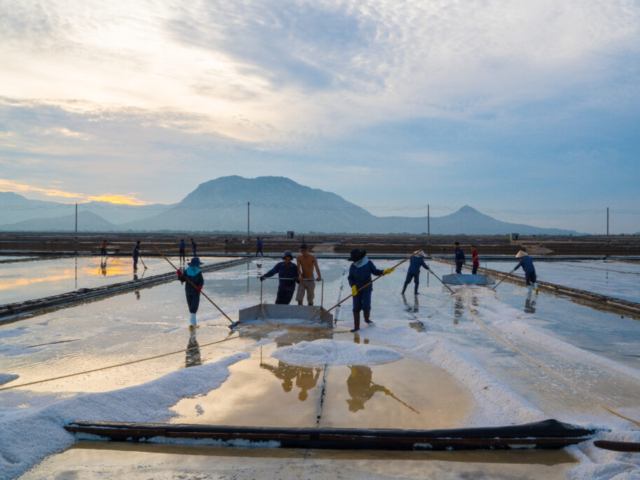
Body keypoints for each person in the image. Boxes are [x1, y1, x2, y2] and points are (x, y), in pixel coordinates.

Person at [348, 248, 393, 332]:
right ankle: (356, 327)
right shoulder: (353, 266)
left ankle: (366, 319)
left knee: (366, 305)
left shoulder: (368, 263)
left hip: (367, 288)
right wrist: (353, 286)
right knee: (356, 307)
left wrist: (384, 272)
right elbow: (350, 278)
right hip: (356, 290)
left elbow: (375, 271)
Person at [177, 257, 204, 328]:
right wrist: (179, 275)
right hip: (188, 292)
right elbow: (183, 280)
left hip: (196, 292)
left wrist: (199, 287)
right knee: (191, 308)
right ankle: (194, 322)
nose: (198, 266)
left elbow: (201, 281)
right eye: (198, 265)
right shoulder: (187, 271)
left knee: (194, 307)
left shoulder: (198, 272)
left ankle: (192, 323)